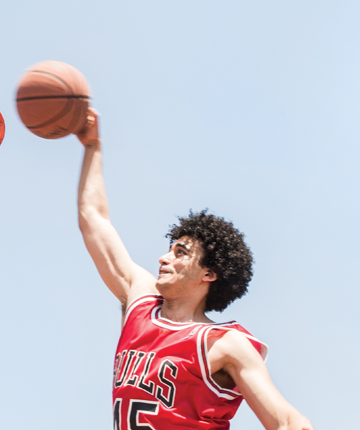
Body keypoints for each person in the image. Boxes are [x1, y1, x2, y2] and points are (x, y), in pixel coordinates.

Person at [75, 109, 313, 430]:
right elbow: (93, 218)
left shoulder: (224, 344)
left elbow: (288, 422)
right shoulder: (140, 303)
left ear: (209, 274)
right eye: (169, 249)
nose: (163, 258)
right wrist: (93, 147)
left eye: (180, 252)